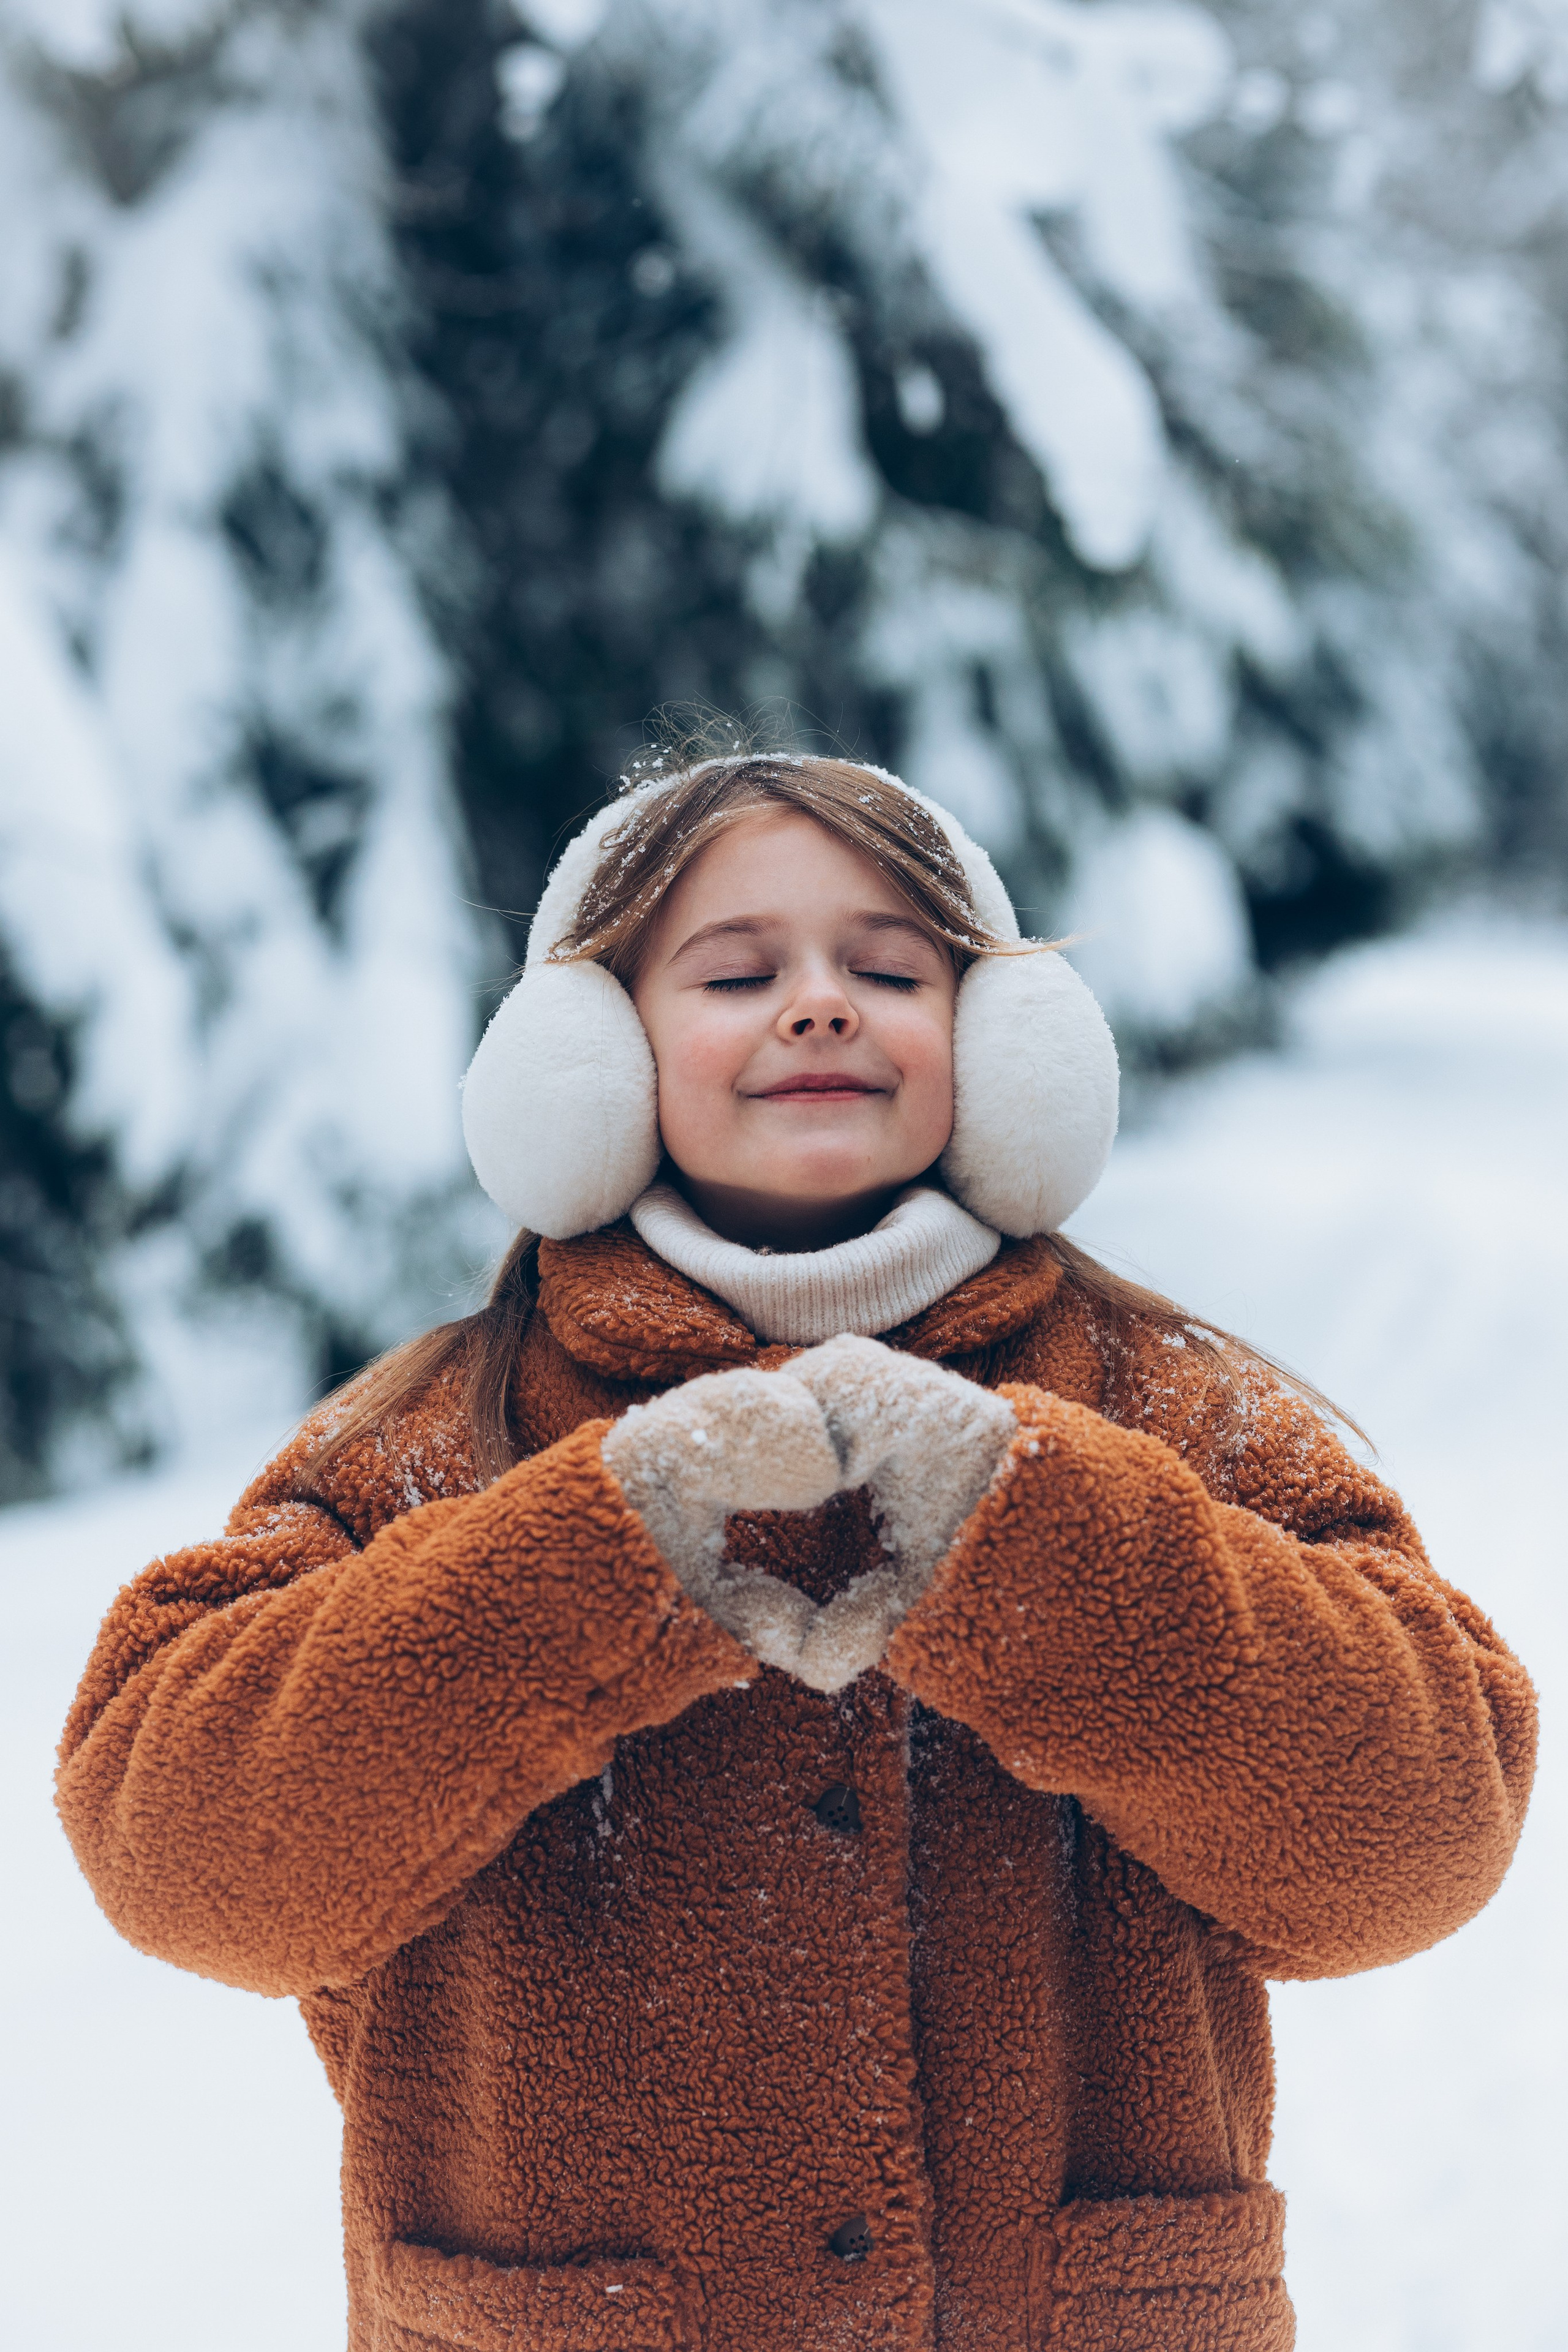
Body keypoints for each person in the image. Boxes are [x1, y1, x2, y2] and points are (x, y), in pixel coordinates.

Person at [58, 747, 1536, 2352]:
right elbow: (177, 1851)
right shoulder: (435, 1446)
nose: (821, 1005)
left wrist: (1032, 1539)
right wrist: (601, 1558)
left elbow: (1420, 1832)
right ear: (592, 1060)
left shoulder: (1170, 1412)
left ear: (999, 1050)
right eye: (739, 971)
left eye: (890, 969)